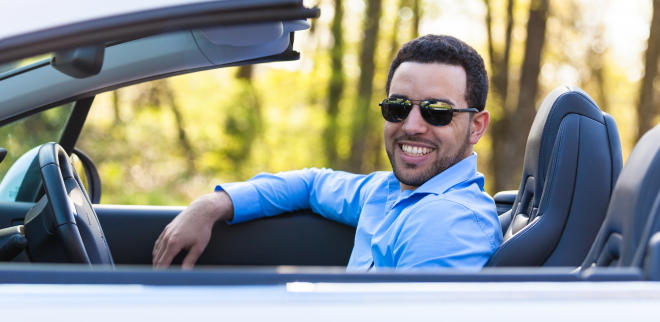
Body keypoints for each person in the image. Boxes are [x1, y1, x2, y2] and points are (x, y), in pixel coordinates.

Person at [152, 34, 503, 271]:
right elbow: (312, 184)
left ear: (476, 127)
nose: (411, 125)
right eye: (397, 108)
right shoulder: (388, 192)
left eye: (436, 111)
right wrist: (212, 204)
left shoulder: (446, 222)